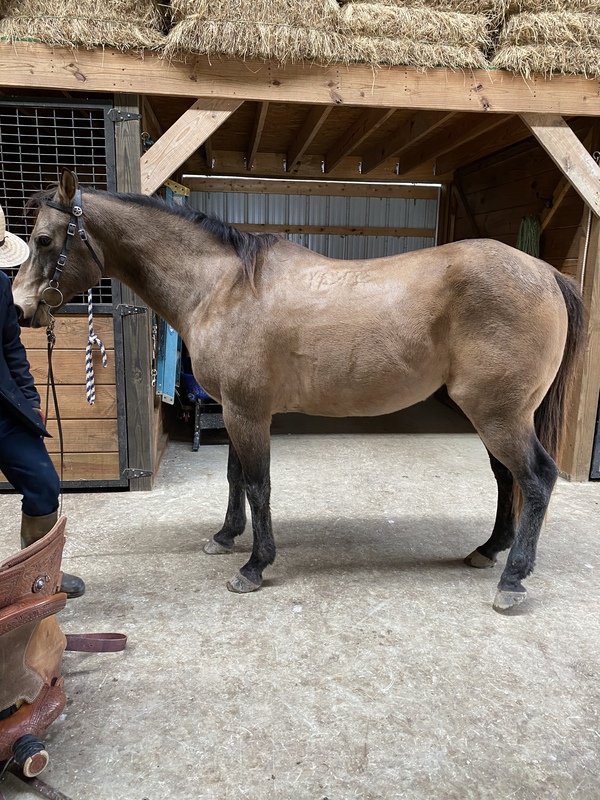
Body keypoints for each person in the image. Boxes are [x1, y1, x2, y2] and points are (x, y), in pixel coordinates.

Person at [0, 206, 84, 598]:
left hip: (4, 408)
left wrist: (30, 400)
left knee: (44, 484)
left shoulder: (0, 288)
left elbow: (11, 348)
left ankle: (38, 576)